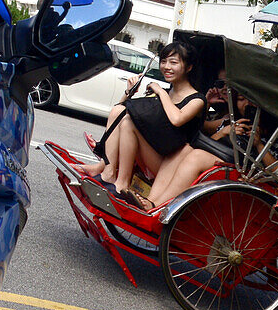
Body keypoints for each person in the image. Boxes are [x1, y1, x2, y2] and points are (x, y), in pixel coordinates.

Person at [80, 40, 205, 203]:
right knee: (125, 118)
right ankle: (112, 173)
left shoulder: (197, 99)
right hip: (155, 152)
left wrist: (160, 91)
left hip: (171, 166)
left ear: (189, 67)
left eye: (173, 62)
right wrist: (128, 92)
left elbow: (177, 119)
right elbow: (126, 112)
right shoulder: (167, 92)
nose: (166, 67)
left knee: (129, 122)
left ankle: (115, 176)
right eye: (164, 61)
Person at [143, 83, 278, 208]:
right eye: (240, 99)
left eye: (251, 100)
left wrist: (258, 144)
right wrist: (224, 133)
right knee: (184, 149)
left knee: (197, 156)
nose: (246, 104)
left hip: (255, 181)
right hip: (225, 169)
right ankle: (151, 201)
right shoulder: (231, 120)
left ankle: (157, 206)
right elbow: (208, 143)